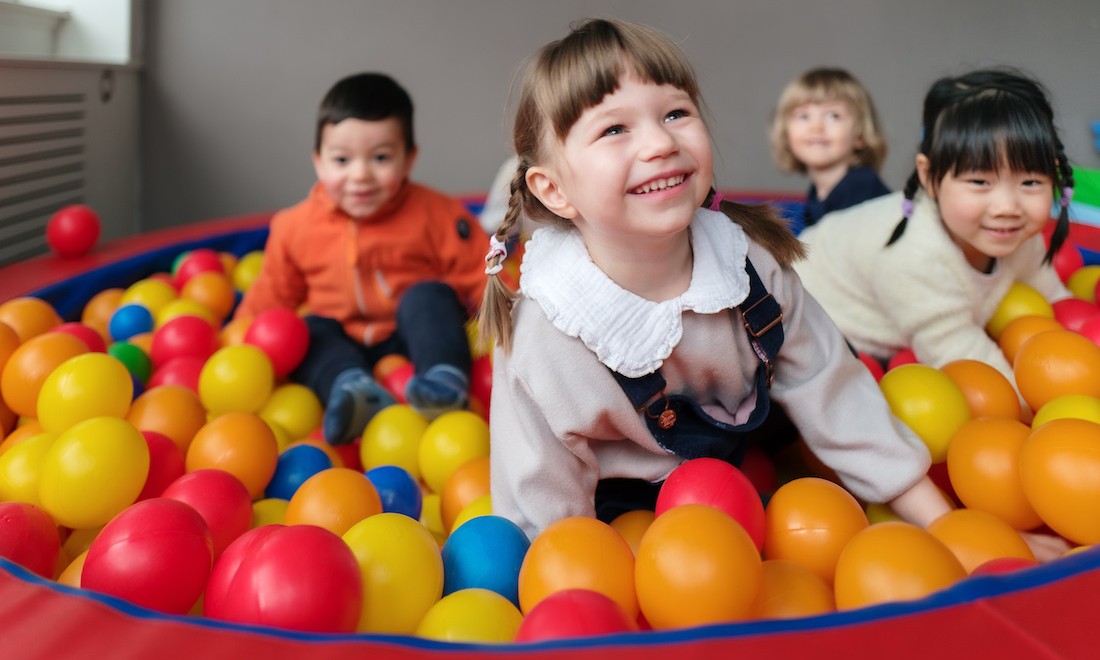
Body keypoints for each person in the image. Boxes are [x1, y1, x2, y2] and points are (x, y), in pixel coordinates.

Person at [477, 18, 1063, 556]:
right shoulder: (550, 334)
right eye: (614, 129)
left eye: (676, 113)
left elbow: (833, 390)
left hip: (750, 454)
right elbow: (543, 501)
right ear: (554, 191)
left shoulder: (747, 263)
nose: (659, 143)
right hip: (623, 514)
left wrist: (941, 530)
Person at [236, 72, 488, 443]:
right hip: (341, 343)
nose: (360, 175)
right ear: (318, 161)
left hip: (412, 341)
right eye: (341, 160)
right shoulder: (293, 227)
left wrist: (516, 322)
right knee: (308, 331)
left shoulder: (438, 214)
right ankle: (351, 390)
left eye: (381, 157)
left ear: (408, 159)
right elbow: (273, 296)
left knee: (430, 296)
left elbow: (480, 269)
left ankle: (444, 381)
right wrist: (239, 342)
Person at [793, 68, 1075, 400]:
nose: (1008, 207)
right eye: (980, 182)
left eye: (1030, 183)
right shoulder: (913, 254)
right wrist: (1042, 405)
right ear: (929, 176)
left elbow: (1058, 303)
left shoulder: (1016, 233)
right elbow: (964, 357)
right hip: (808, 313)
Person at [770, 67, 890, 231]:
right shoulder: (818, 196)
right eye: (803, 116)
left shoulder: (862, 190)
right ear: (786, 134)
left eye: (833, 116)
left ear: (860, 135)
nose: (816, 127)